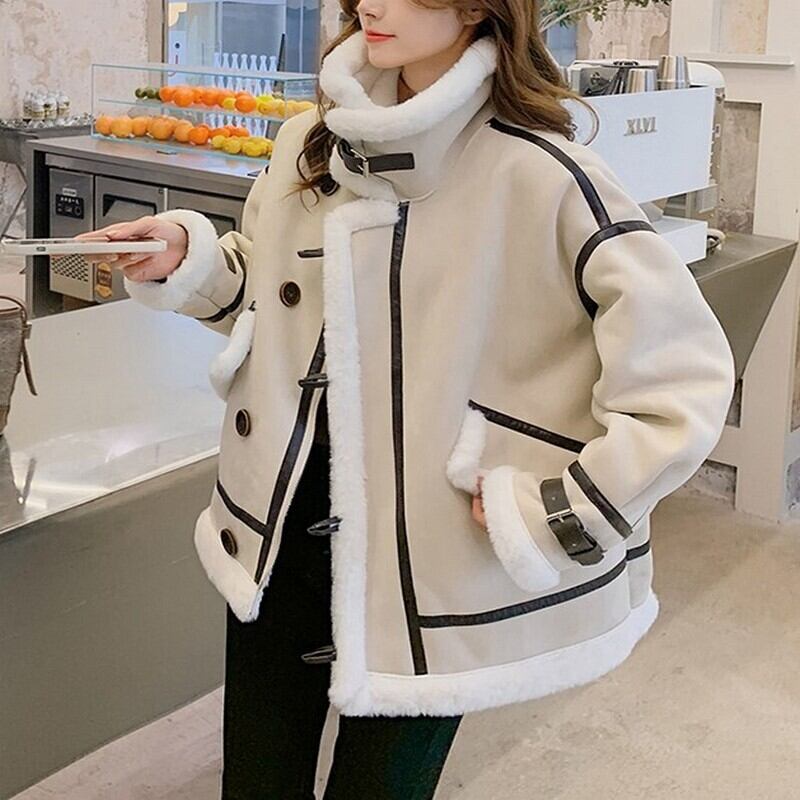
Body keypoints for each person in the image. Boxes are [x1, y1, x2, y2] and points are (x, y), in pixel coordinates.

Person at [77, 0, 736, 796]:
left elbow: (683, 378)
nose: (369, 5)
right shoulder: (309, 143)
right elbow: (274, 298)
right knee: (254, 779)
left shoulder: (541, 173)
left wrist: (561, 508)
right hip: (280, 522)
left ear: (477, 6)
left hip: (431, 552)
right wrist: (192, 258)